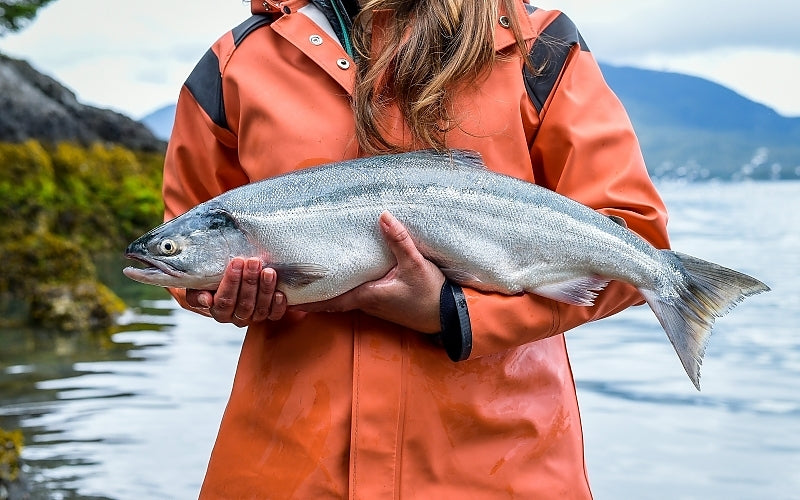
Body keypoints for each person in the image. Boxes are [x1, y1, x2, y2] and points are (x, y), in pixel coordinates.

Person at [162, 0, 670, 497]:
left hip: (501, 471)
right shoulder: (234, 63)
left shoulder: (540, 43)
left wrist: (456, 314)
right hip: (284, 471)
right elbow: (184, 240)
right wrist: (216, 295)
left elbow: (635, 243)